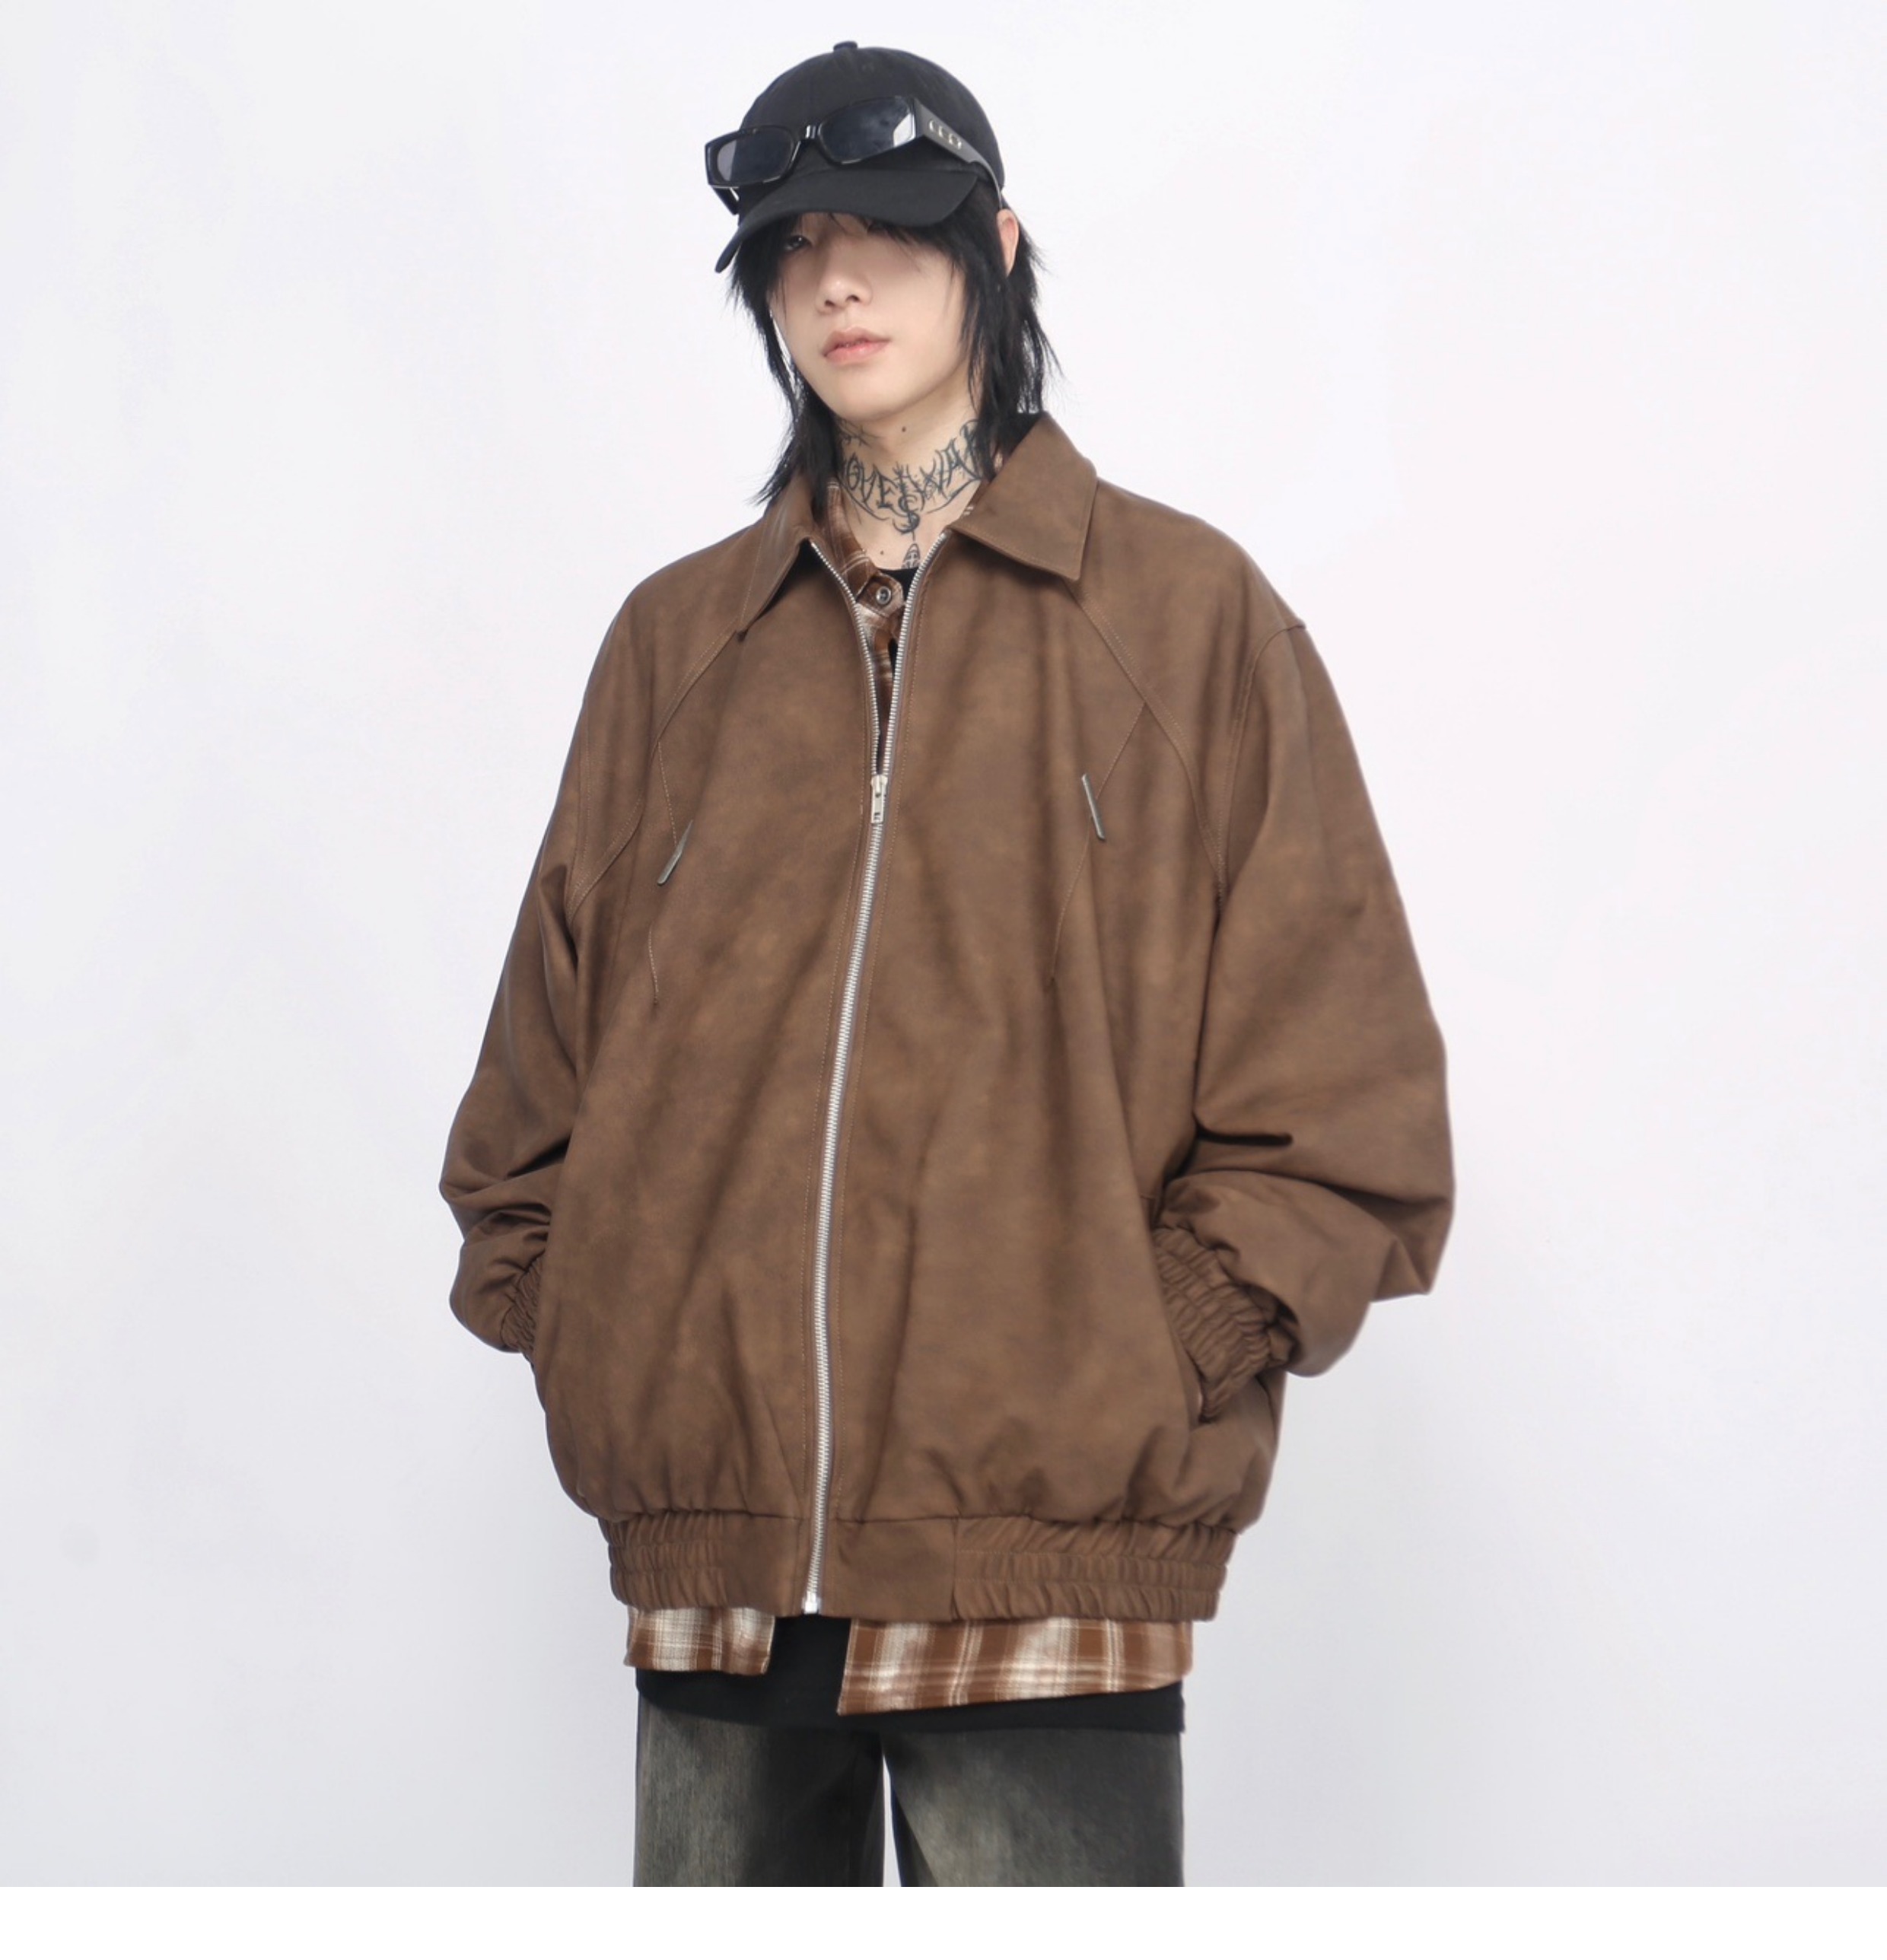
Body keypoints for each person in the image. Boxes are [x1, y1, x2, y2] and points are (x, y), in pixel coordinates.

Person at [439, 41, 1455, 1887]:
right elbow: (532, 1093)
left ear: (992, 248)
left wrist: (1138, 1353)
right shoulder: (675, 646)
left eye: (888, 235)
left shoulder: (1185, 620)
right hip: (719, 1567)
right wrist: (603, 1339)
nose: (836, 281)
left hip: (1047, 1556)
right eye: (792, 246)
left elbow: (1345, 1098)